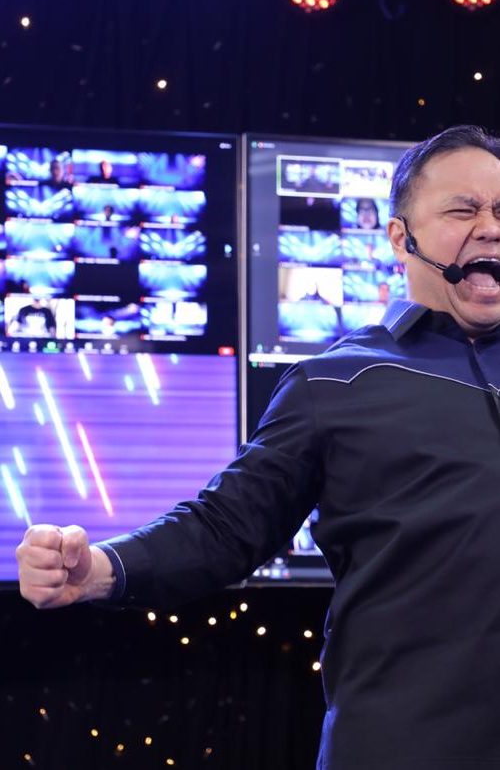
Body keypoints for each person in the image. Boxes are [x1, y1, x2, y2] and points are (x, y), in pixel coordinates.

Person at [16, 124, 500, 770]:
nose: (491, 228)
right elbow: (225, 527)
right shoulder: (336, 380)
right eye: (464, 210)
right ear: (399, 236)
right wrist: (99, 568)